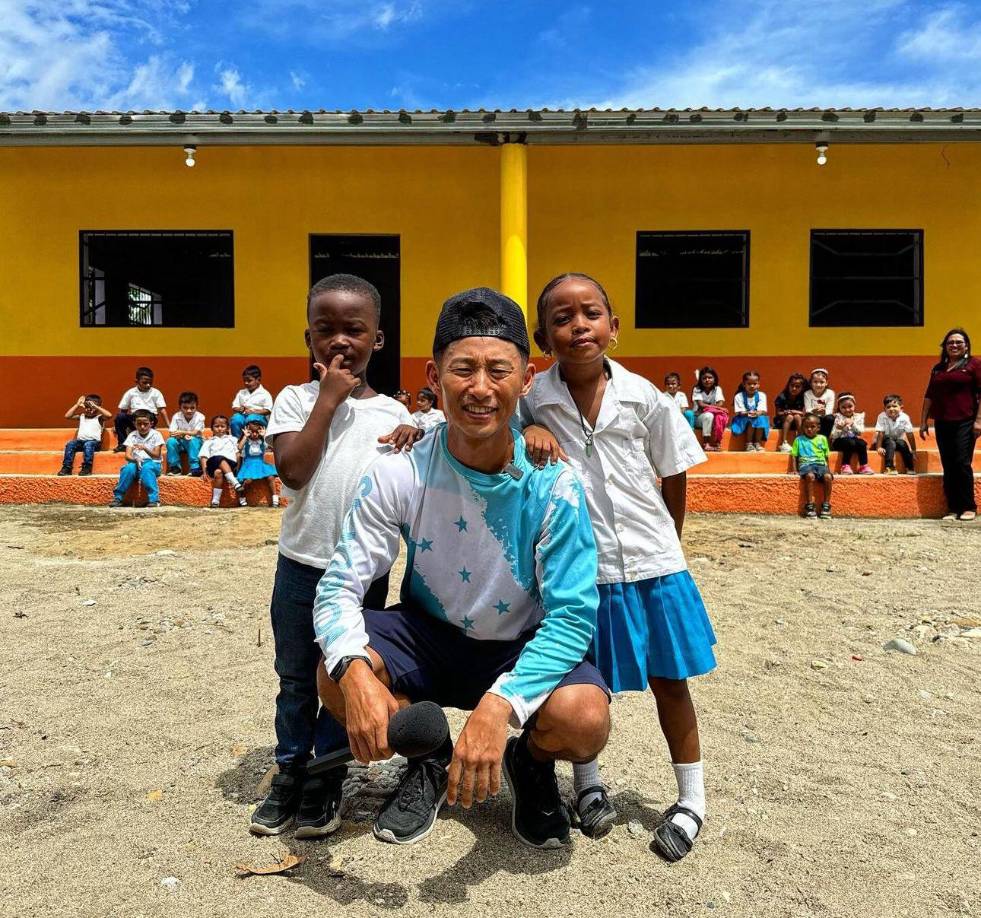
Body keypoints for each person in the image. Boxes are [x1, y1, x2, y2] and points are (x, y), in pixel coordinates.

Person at [313, 287, 610, 851]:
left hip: (516, 644)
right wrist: (354, 671)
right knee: (331, 673)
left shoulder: (556, 486)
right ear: (433, 375)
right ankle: (428, 756)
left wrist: (501, 705)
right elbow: (340, 585)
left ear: (525, 381)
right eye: (462, 369)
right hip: (427, 637)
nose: (479, 389)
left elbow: (573, 617)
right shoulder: (399, 471)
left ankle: (530, 761)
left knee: (585, 719)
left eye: (498, 370)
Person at [520, 272, 716, 862]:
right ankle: (589, 785)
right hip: (582, 571)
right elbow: (504, 439)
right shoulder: (535, 401)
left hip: (655, 563)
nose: (578, 326)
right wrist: (527, 427)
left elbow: (673, 469)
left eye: (591, 314)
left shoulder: (646, 398)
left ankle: (692, 798)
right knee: (587, 680)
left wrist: (670, 543)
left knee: (670, 681)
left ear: (614, 326)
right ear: (541, 335)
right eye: (561, 318)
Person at [251, 274, 410, 838]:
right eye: (326, 331)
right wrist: (328, 398)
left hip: (363, 576)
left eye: (355, 330)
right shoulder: (294, 400)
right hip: (300, 565)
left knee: (343, 675)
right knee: (295, 677)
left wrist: (412, 435)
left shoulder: (394, 415)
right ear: (308, 338)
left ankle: (324, 777)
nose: (340, 341)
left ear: (378, 340)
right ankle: (289, 771)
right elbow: (293, 470)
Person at [920, 327, 981, 521]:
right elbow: (929, 395)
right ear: (945, 347)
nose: (954, 345)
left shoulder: (974, 365)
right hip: (942, 422)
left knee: (962, 463)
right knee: (948, 464)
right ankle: (953, 508)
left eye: (958, 342)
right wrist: (923, 421)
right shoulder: (938, 369)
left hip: (966, 421)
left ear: (966, 346)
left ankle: (969, 506)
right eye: (950, 343)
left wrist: (979, 421)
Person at [109, 409, 164, 508]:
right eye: (139, 424)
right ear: (134, 424)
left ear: (151, 423)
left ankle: (154, 499)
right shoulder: (132, 435)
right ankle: (118, 497)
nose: (142, 427)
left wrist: (145, 448)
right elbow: (128, 455)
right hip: (136, 463)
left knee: (147, 468)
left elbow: (157, 455)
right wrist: (135, 460)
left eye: (145, 424)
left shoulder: (156, 435)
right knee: (128, 469)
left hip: (153, 463)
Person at [114, 367, 168, 451]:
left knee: (150, 416)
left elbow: (162, 410)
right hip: (135, 419)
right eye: (145, 382)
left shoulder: (156, 393)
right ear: (137, 381)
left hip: (150, 419)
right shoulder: (130, 393)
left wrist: (169, 425)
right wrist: (116, 425)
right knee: (120, 416)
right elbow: (123, 410)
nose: (148, 385)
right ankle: (123, 444)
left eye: (150, 383)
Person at [198, 415, 246, 507]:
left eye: (222, 426)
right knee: (219, 458)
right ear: (212, 428)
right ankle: (235, 483)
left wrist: (237, 470)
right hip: (213, 464)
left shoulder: (232, 439)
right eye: (216, 426)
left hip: (230, 465)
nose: (219, 429)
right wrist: (204, 471)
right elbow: (204, 457)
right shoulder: (209, 442)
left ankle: (215, 501)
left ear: (227, 428)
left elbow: (238, 454)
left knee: (218, 472)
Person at [792, 413, 833, 519]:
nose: (809, 429)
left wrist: (828, 469)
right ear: (802, 427)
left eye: (812, 427)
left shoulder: (823, 439)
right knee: (810, 476)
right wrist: (794, 469)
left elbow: (826, 456)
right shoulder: (798, 440)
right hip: (806, 465)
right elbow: (794, 455)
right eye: (806, 427)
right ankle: (810, 506)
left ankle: (826, 505)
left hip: (820, 465)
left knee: (828, 477)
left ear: (818, 427)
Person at [59, 394, 110, 476]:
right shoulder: (82, 416)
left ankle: (87, 467)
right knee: (70, 444)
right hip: (81, 442)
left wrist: (95, 406)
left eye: (91, 408)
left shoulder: (99, 418)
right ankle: (67, 467)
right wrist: (77, 405)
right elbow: (67, 416)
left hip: (94, 443)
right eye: (87, 407)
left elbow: (109, 415)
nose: (88, 410)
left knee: (88, 444)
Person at [238, 419, 280, 507]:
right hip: (249, 465)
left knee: (270, 477)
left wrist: (265, 436)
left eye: (256, 432)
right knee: (248, 481)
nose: (254, 434)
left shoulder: (262, 442)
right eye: (251, 432)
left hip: (261, 464)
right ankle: (242, 497)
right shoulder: (246, 442)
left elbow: (271, 446)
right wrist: (245, 436)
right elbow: (239, 447)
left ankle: (275, 498)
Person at [830, 393, 874, 475]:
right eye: (843, 407)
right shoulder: (837, 417)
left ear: (854, 405)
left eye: (850, 406)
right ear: (839, 408)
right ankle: (845, 465)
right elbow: (833, 435)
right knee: (850, 442)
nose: (847, 410)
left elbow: (860, 432)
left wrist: (853, 424)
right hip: (839, 441)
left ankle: (863, 466)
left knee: (862, 443)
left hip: (853, 440)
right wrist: (840, 428)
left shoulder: (858, 417)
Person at [873, 395, 917, 475]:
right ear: (885, 409)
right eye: (888, 407)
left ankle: (910, 467)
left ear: (901, 408)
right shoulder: (882, 416)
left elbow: (910, 434)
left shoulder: (905, 418)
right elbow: (881, 433)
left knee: (902, 443)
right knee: (890, 442)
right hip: (883, 440)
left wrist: (913, 450)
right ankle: (889, 467)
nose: (891, 409)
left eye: (894, 406)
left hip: (897, 440)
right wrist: (878, 447)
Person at [165, 391, 205, 476]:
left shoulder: (200, 417)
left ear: (197, 407)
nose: (189, 410)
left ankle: (195, 467)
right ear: (180, 407)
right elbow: (172, 432)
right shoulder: (176, 416)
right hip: (181, 441)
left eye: (192, 407)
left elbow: (196, 432)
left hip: (196, 443)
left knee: (193, 440)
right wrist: (183, 435)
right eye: (185, 408)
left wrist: (182, 432)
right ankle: (175, 467)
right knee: (170, 441)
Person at [730, 371, 770, 452]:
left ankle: (757, 443)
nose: (752, 386)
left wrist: (757, 413)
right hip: (742, 419)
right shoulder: (739, 396)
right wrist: (749, 413)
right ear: (744, 384)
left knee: (761, 418)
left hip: (756, 416)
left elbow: (762, 411)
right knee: (751, 418)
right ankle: (749, 444)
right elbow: (740, 412)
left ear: (758, 384)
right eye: (749, 384)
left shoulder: (762, 395)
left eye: (754, 384)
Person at [230, 365, 274, 438]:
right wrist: (240, 409)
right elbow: (234, 406)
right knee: (236, 419)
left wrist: (253, 412)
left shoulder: (265, 394)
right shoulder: (241, 392)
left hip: (258, 418)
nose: (246, 383)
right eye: (244, 381)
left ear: (258, 380)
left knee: (251, 418)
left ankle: (255, 441)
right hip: (243, 416)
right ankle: (237, 441)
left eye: (249, 381)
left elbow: (268, 410)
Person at [692, 366, 727, 451]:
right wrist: (715, 407)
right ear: (700, 379)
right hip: (699, 418)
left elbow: (720, 403)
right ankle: (706, 443)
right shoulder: (697, 389)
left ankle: (718, 442)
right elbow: (701, 404)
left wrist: (714, 407)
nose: (707, 380)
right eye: (704, 378)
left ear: (714, 379)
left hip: (712, 418)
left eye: (710, 378)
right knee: (708, 415)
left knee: (719, 417)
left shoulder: (717, 389)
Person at [774, 373, 807, 453]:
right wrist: (786, 412)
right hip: (783, 421)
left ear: (802, 388)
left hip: (797, 421)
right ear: (788, 385)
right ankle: (784, 442)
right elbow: (778, 413)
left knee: (797, 416)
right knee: (790, 416)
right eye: (792, 385)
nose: (794, 388)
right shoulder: (782, 396)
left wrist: (795, 412)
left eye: (797, 387)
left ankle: (801, 440)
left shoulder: (803, 397)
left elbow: (805, 413)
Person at [803, 368, 835, 440]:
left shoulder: (830, 393)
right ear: (811, 383)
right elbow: (808, 409)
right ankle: (811, 439)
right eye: (815, 382)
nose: (818, 385)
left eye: (821, 382)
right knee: (808, 419)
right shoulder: (807, 393)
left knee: (830, 418)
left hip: (824, 417)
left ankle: (824, 439)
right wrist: (814, 410)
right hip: (812, 416)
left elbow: (830, 410)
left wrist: (824, 411)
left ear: (826, 383)